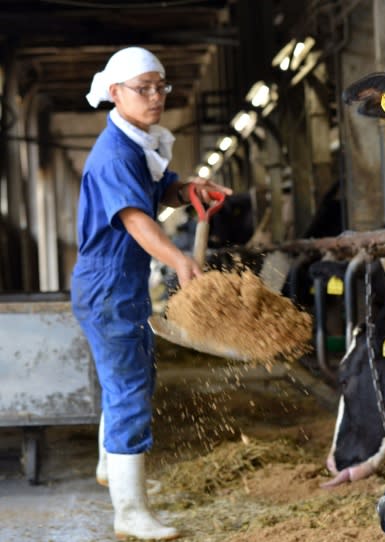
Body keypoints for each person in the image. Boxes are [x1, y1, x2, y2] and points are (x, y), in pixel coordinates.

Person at [71, 46, 232, 540]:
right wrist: (179, 259)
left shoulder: (136, 142)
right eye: (144, 88)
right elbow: (135, 218)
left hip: (117, 281)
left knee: (128, 379)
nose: (156, 96)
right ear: (115, 93)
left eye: (161, 86)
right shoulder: (116, 153)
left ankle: (114, 472)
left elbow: (155, 192)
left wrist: (185, 190)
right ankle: (130, 513)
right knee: (130, 391)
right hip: (109, 283)